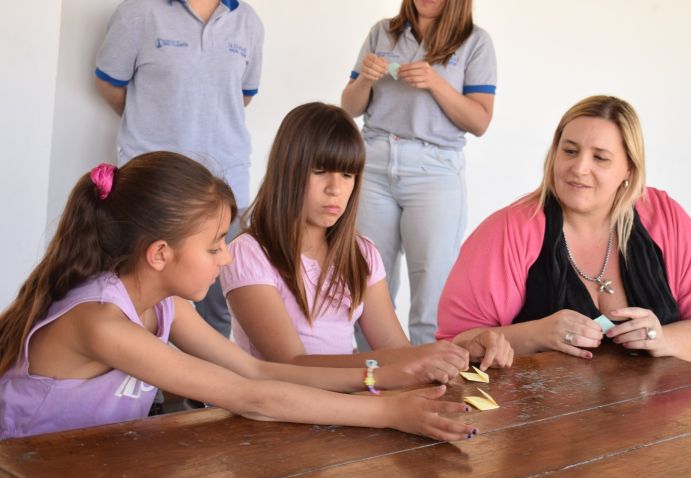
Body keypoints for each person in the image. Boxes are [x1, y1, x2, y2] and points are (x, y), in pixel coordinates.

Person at [0, 152, 478, 442]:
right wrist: (389, 411)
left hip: (81, 472)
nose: (226, 258)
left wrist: (384, 376)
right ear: (160, 254)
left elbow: (254, 370)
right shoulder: (102, 322)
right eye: (213, 247)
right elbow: (251, 396)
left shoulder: (165, 304)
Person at [437, 95, 691, 367]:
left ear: (629, 169)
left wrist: (663, 339)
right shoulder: (507, 230)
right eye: (569, 151)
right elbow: (455, 344)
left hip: (661, 419)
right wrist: (535, 334)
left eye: (600, 158)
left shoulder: (666, 217)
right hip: (541, 424)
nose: (579, 168)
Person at [221, 102, 512, 371]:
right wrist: (403, 363)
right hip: (278, 412)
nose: (335, 188)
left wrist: (461, 350)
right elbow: (294, 366)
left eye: (348, 175)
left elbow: (396, 349)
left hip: (349, 403)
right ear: (287, 171)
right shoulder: (248, 255)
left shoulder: (361, 253)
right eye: (320, 171)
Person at [94, 0, 263, 338]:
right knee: (141, 299)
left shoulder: (249, 22)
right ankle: (145, 389)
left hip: (226, 184)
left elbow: (242, 95)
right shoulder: (139, 11)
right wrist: (153, 127)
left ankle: (209, 391)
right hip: (155, 187)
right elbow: (109, 84)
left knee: (218, 304)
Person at [341, 0, 496, 345]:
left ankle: (428, 386)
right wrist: (365, 79)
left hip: (435, 172)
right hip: (375, 166)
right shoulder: (382, 32)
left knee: (432, 292)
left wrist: (436, 83)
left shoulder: (475, 41)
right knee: (366, 286)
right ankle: (370, 383)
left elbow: (480, 121)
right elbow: (349, 107)